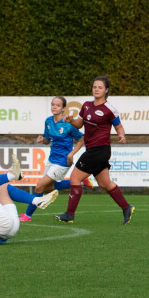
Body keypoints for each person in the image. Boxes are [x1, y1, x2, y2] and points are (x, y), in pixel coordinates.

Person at [53, 75, 135, 225]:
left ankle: (69, 214)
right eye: (94, 87)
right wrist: (71, 120)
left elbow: (119, 127)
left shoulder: (110, 109)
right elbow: (79, 124)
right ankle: (126, 207)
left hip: (99, 150)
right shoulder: (86, 105)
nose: (96, 89)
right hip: (95, 150)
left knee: (75, 178)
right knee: (105, 184)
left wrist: (121, 135)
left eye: (100, 87)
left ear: (106, 90)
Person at [19, 96, 94, 222]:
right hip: (51, 159)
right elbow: (47, 140)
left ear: (63, 108)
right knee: (48, 188)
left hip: (63, 162)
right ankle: (81, 181)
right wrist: (43, 140)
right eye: (53, 104)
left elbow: (82, 139)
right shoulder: (48, 121)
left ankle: (27, 216)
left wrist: (71, 154)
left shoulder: (68, 125)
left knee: (39, 186)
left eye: (57, 105)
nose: (54, 107)